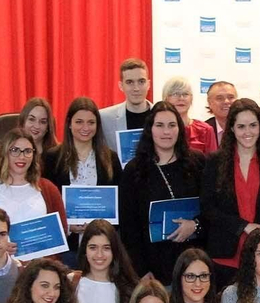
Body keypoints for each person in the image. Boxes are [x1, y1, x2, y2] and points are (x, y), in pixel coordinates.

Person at [201, 98, 260, 287]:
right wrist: (243, 226)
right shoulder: (215, 162)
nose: (247, 132)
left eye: (252, 125)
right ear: (231, 128)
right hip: (224, 258)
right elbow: (207, 208)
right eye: (241, 126)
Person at [118, 102, 206, 284]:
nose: (166, 132)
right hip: (153, 269)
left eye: (172, 125)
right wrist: (140, 270)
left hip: (195, 265)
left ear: (180, 129)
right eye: (160, 125)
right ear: (149, 129)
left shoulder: (198, 162)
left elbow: (212, 209)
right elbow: (129, 227)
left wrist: (195, 225)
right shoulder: (134, 170)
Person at [0, 128, 68, 258]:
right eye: (15, 150)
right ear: (5, 153)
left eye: (28, 151)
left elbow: (61, 229)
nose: (22, 156)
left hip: (41, 269)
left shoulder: (49, 189)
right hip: (1, 267)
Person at [44, 97, 123, 253]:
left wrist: (102, 226)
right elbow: (46, 203)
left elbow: (121, 203)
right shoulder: (52, 158)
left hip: (102, 246)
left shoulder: (110, 159)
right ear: (69, 124)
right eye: (79, 122)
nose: (85, 127)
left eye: (91, 122)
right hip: (66, 247)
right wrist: (66, 225)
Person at [99, 57, 154, 149]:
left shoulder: (162, 117)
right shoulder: (104, 118)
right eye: (130, 82)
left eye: (141, 81)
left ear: (148, 84)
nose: (136, 88)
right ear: (121, 86)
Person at [159, 77, 219, 156]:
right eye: (175, 94)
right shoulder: (158, 129)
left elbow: (213, 164)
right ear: (165, 98)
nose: (181, 98)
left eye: (185, 94)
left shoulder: (205, 130)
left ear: (191, 99)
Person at [201, 80, 238, 147]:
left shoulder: (246, 128)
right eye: (219, 98)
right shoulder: (202, 131)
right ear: (210, 103)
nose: (226, 101)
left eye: (231, 97)